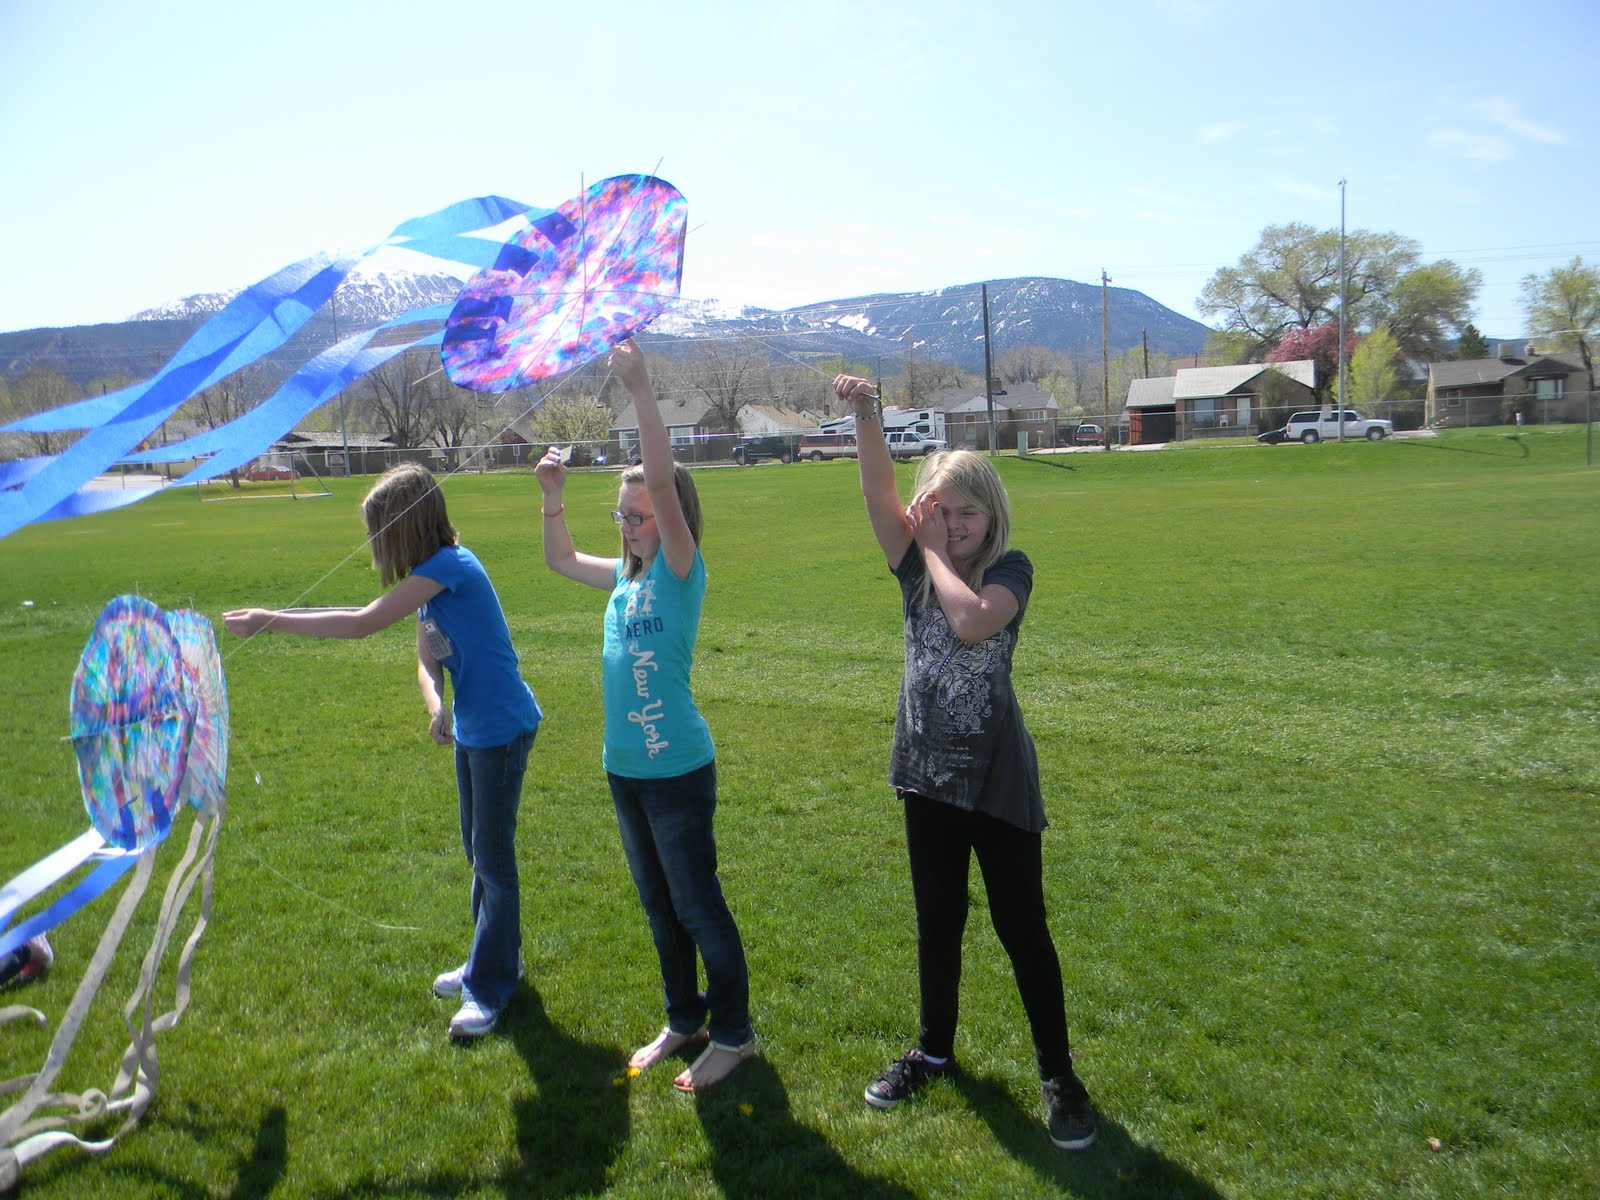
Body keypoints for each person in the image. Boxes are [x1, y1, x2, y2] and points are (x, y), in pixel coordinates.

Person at [833, 373, 1098, 1152]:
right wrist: (868, 413)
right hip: (926, 774)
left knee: (1022, 928)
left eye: (967, 514)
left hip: (997, 781)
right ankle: (933, 1051)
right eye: (939, 513)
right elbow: (876, 487)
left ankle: (1059, 1076)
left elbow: (972, 622)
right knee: (938, 920)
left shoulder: (1011, 570)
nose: (953, 527)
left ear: (992, 515)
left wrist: (925, 547)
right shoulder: (915, 560)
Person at [224, 462, 540, 1040]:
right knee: (479, 851)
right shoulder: (428, 581)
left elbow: (362, 623)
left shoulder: (450, 567)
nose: (374, 545)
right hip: (475, 728)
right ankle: (497, 955)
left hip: (502, 728)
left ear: (405, 528)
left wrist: (271, 622)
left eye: (379, 533)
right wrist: (436, 705)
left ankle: (491, 986)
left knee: (493, 860)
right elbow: (427, 660)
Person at [535, 338, 755, 1093]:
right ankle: (684, 1018)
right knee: (660, 908)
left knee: (698, 906)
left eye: (639, 514)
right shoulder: (624, 582)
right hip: (623, 770)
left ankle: (734, 1036)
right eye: (621, 515)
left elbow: (661, 478)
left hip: (678, 770)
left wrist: (639, 388)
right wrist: (552, 495)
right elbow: (559, 560)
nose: (627, 524)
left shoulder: (681, 572)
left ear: (668, 518)